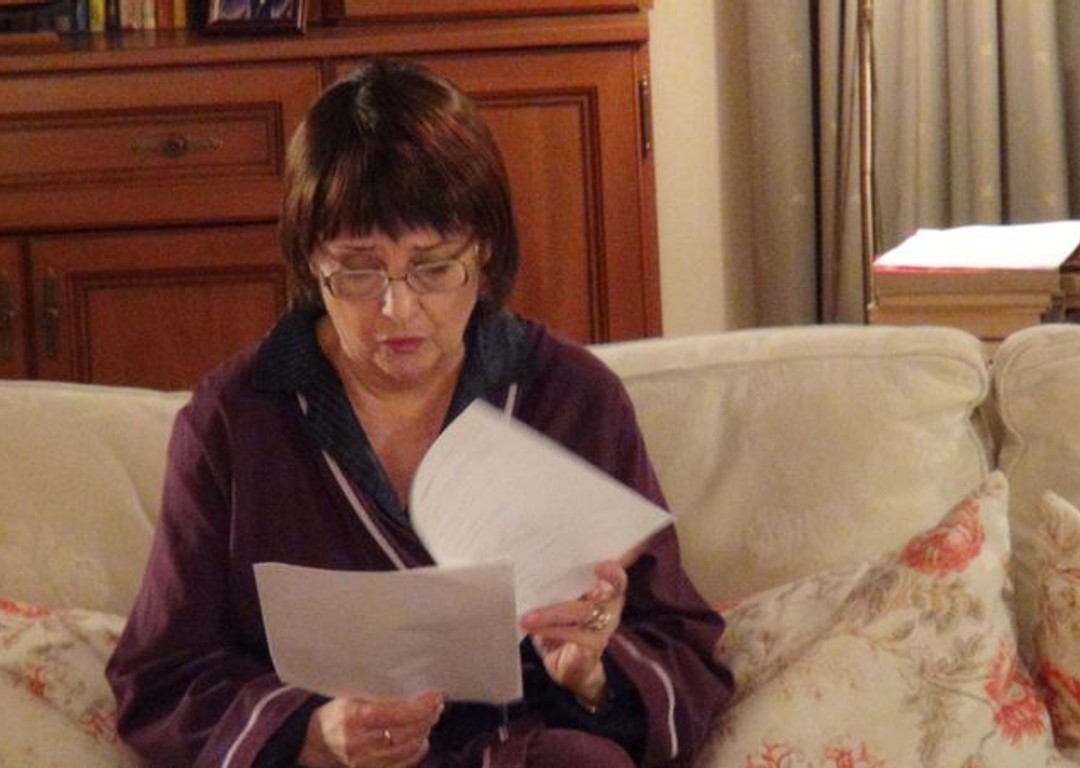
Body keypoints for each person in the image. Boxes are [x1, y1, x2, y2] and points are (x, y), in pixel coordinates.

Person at [106, 58, 733, 768]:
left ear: (484, 250)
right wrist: (310, 734)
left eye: (434, 267)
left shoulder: (572, 398)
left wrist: (590, 674)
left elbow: (684, 652)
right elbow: (161, 675)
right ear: (310, 260)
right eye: (358, 270)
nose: (397, 308)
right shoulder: (234, 419)